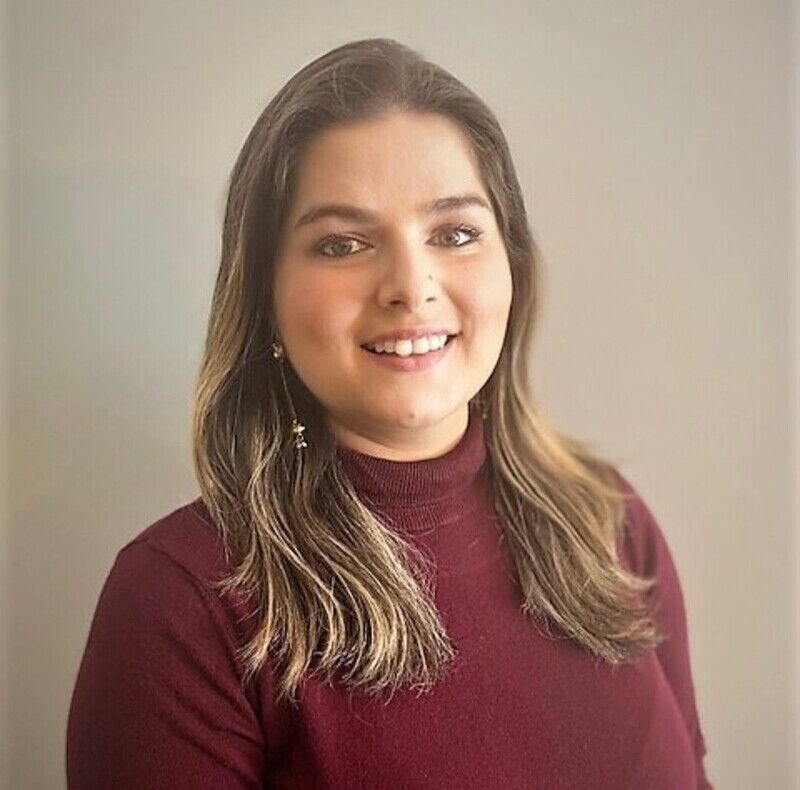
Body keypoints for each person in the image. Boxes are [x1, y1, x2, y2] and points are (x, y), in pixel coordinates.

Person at [66, 38, 712, 789]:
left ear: (511, 266)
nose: (411, 284)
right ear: (266, 298)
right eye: (343, 244)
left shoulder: (609, 522)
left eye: (456, 234)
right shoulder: (181, 602)